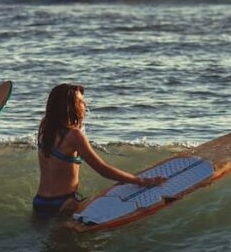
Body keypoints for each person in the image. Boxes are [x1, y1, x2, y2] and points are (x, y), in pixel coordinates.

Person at [34, 84, 167, 217]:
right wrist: (140, 181)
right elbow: (103, 170)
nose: (84, 105)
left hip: (40, 201)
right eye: (80, 101)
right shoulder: (74, 136)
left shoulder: (45, 128)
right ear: (69, 107)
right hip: (64, 203)